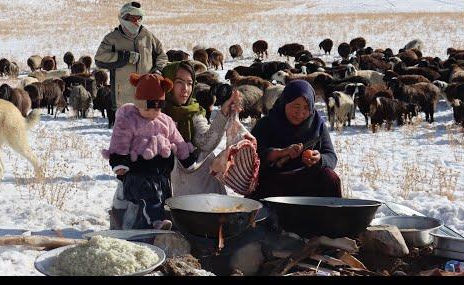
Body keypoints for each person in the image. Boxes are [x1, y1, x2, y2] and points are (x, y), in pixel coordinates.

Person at [102, 72, 195, 230]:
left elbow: (177, 140)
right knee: (148, 195)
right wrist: (120, 162)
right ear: (139, 103)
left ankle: (163, 223)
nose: (153, 113)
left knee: (163, 197)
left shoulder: (165, 121)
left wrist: (186, 159)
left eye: (158, 108)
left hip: (160, 173)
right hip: (137, 173)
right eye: (148, 108)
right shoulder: (129, 119)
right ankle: (155, 222)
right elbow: (120, 141)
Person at [249, 79, 342, 199]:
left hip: (306, 180)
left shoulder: (317, 125)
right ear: (285, 102)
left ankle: (329, 216)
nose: (300, 113)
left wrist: (319, 159)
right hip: (274, 181)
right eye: (296, 106)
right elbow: (252, 157)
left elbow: (331, 156)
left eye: (306, 108)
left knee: (330, 178)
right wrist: (280, 153)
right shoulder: (267, 124)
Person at [161, 60, 242, 196]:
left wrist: (223, 113)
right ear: (167, 83)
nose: (185, 89)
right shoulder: (154, 113)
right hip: (164, 185)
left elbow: (206, 142)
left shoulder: (193, 111)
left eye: (189, 83)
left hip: (197, 184)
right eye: (179, 82)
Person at [94, 2, 168, 125]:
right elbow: (99, 59)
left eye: (138, 17)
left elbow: (162, 55)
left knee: (147, 133)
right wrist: (123, 57)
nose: (136, 21)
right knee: (126, 135)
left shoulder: (148, 36)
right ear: (123, 17)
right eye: (132, 17)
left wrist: (158, 71)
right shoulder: (112, 38)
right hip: (123, 98)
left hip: (147, 97)